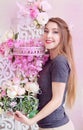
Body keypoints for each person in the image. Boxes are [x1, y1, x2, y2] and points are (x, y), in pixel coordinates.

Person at [12, 17, 77, 130]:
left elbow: (57, 100)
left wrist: (31, 121)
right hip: (46, 126)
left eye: (55, 32)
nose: (48, 35)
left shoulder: (59, 61)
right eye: (46, 31)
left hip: (56, 127)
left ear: (63, 37)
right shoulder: (49, 61)